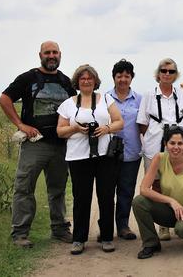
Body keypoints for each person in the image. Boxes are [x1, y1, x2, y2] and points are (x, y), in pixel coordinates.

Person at [0, 41, 76, 248]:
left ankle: (59, 229)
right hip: (35, 143)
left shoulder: (66, 82)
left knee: (58, 189)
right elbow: (5, 99)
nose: (51, 56)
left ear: (60, 54)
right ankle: (20, 234)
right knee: (24, 188)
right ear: (40, 55)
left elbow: (75, 107)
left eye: (55, 52)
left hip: (60, 145)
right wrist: (20, 124)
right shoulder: (28, 78)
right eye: (47, 52)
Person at [57, 64, 124, 254]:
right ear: (77, 82)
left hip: (104, 155)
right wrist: (76, 128)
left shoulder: (106, 99)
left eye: (90, 78)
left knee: (106, 196)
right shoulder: (68, 103)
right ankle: (79, 238)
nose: (86, 81)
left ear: (95, 81)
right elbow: (60, 131)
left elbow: (119, 121)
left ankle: (107, 237)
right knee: (81, 198)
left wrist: (106, 129)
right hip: (78, 156)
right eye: (82, 78)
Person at [136, 58, 183, 240]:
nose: (167, 74)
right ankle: (162, 225)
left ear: (176, 74)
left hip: (178, 145)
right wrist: (154, 137)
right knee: (156, 183)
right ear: (158, 73)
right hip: (154, 145)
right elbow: (142, 124)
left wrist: (178, 137)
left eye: (171, 71)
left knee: (178, 182)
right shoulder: (149, 95)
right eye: (164, 70)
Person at [132, 126, 183, 259]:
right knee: (139, 202)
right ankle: (151, 243)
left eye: (180, 143)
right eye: (172, 143)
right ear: (165, 144)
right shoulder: (159, 158)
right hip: (171, 210)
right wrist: (171, 201)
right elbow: (144, 189)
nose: (176, 147)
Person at [106, 59, 142, 240]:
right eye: (119, 76)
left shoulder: (139, 99)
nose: (123, 79)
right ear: (113, 77)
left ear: (131, 78)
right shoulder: (104, 98)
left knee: (126, 191)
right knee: (106, 191)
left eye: (127, 76)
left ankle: (123, 226)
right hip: (108, 153)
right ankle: (105, 228)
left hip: (132, 152)